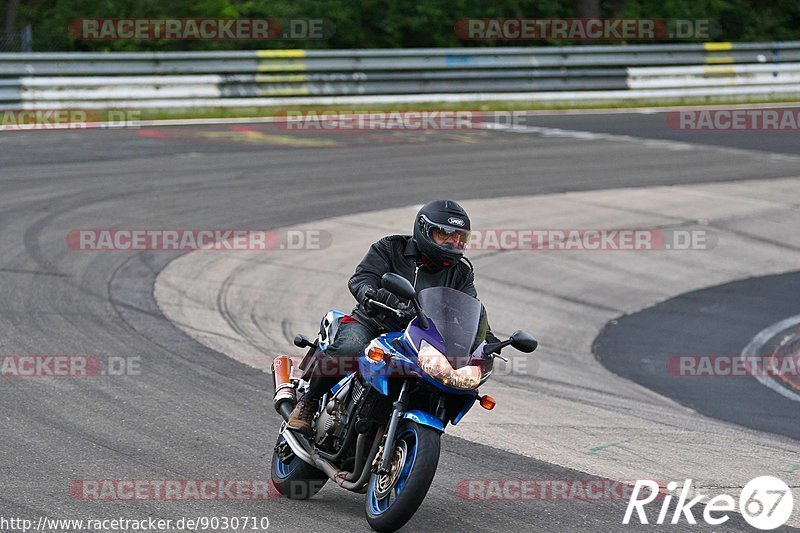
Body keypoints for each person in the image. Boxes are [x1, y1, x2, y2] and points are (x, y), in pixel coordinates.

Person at [287, 199, 499, 434]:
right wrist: (371, 294)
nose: (453, 242)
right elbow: (362, 277)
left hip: (421, 338)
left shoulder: (461, 272)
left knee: (451, 378)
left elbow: (470, 306)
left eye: (460, 237)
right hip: (374, 323)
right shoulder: (390, 248)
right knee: (350, 347)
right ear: (424, 230)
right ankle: (308, 402)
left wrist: (485, 338)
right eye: (445, 234)